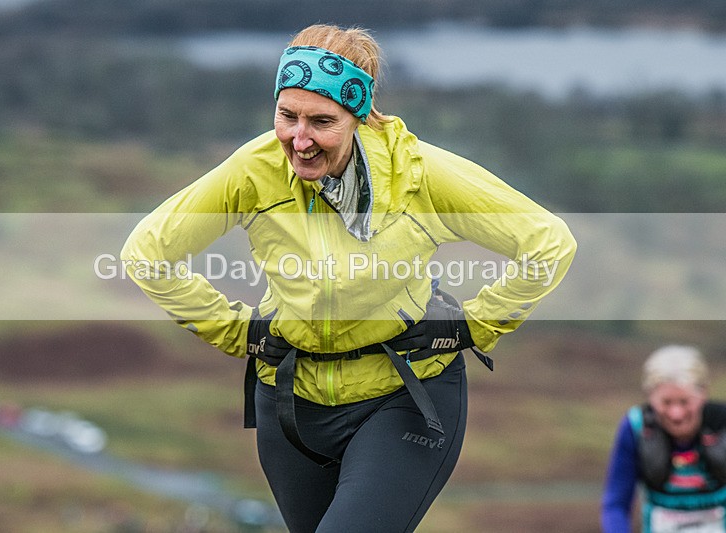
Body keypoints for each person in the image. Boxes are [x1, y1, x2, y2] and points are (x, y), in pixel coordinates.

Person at [121, 24, 576, 533]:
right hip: (291, 405)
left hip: (404, 396)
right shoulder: (255, 170)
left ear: (358, 117)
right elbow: (146, 252)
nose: (299, 137)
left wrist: (472, 326)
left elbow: (549, 242)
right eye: (287, 115)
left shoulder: (416, 173)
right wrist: (235, 330)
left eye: (321, 121)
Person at [601, 345, 726, 532]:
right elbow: (616, 504)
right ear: (650, 397)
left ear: (703, 394)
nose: (676, 414)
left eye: (685, 401)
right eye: (666, 402)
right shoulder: (637, 428)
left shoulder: (722, 424)